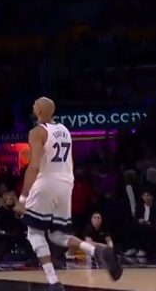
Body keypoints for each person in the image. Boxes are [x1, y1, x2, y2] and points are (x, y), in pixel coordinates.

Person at [16, 97, 122, 289]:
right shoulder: (64, 130)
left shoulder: (37, 132)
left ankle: (53, 282)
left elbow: (34, 166)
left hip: (46, 182)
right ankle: (96, 251)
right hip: (65, 184)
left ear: (39, 111)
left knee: (34, 232)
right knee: (57, 234)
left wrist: (23, 198)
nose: (32, 107)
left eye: (35, 105)